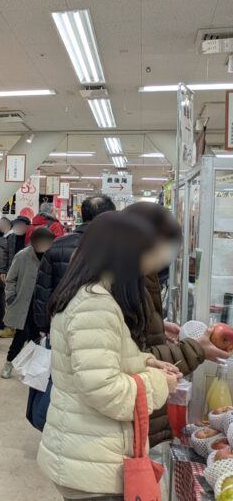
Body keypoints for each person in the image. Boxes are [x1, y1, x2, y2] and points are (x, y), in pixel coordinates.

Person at [37, 213, 179, 500]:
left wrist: (146, 363)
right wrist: (160, 383)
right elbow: (105, 391)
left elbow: (100, 359)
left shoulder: (89, 295)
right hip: (92, 462)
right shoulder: (95, 305)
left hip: (84, 450)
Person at [123, 202, 232, 446]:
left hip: (142, 413)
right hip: (129, 421)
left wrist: (157, 327)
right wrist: (197, 349)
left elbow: (132, 336)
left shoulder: (140, 274)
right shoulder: (120, 283)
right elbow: (132, 358)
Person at [31, 194, 116, 335]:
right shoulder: (119, 248)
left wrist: (43, 325)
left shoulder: (57, 245)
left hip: (62, 321)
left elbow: (43, 289)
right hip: (105, 324)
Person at [1, 227, 55, 379]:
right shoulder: (23, 255)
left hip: (42, 305)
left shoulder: (51, 256)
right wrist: (11, 296)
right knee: (20, 337)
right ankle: (9, 363)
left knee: (37, 340)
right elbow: (11, 279)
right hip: (24, 304)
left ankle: (29, 369)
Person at [0, 216, 31, 338]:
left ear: (27, 226)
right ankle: (10, 328)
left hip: (27, 274)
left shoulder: (31, 239)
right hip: (12, 272)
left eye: (20, 224)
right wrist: (2, 271)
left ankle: (23, 329)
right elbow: (5, 255)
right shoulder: (11, 238)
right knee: (9, 299)